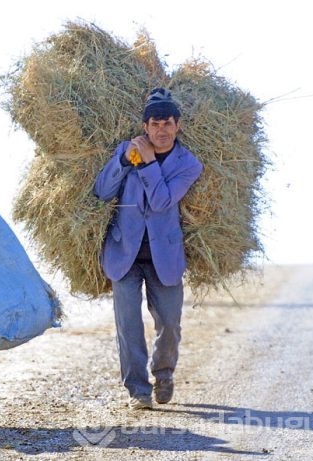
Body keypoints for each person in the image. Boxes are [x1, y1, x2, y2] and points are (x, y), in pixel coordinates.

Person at [93, 88, 203, 410]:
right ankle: (138, 391)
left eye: (168, 123)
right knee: (128, 326)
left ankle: (164, 372)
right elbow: (101, 192)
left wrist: (147, 164)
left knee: (169, 323)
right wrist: (124, 160)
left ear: (178, 125)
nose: (161, 130)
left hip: (164, 259)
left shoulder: (188, 164)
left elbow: (161, 202)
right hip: (123, 255)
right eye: (155, 124)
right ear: (145, 127)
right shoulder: (127, 151)